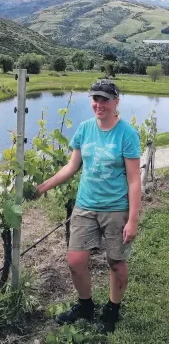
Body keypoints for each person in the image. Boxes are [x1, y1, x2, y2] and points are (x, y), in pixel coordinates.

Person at [36, 79, 141, 334]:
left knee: (116, 262)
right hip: (85, 206)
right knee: (75, 261)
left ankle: (112, 310)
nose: (99, 104)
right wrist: (42, 187)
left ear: (116, 102)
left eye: (105, 99)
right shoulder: (84, 129)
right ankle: (85, 306)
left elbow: (134, 179)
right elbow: (72, 167)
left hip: (116, 208)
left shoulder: (127, 134)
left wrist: (133, 219)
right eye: (95, 99)